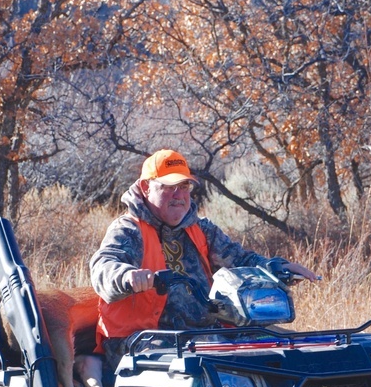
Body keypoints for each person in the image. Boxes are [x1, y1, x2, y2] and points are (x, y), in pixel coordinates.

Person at [87, 149, 318, 372]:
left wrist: (276, 268)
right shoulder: (128, 230)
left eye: (184, 186)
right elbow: (104, 265)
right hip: (143, 339)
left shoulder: (201, 229)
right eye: (169, 187)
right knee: (198, 366)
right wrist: (126, 276)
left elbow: (240, 259)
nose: (178, 195)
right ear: (146, 188)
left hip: (203, 333)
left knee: (285, 348)